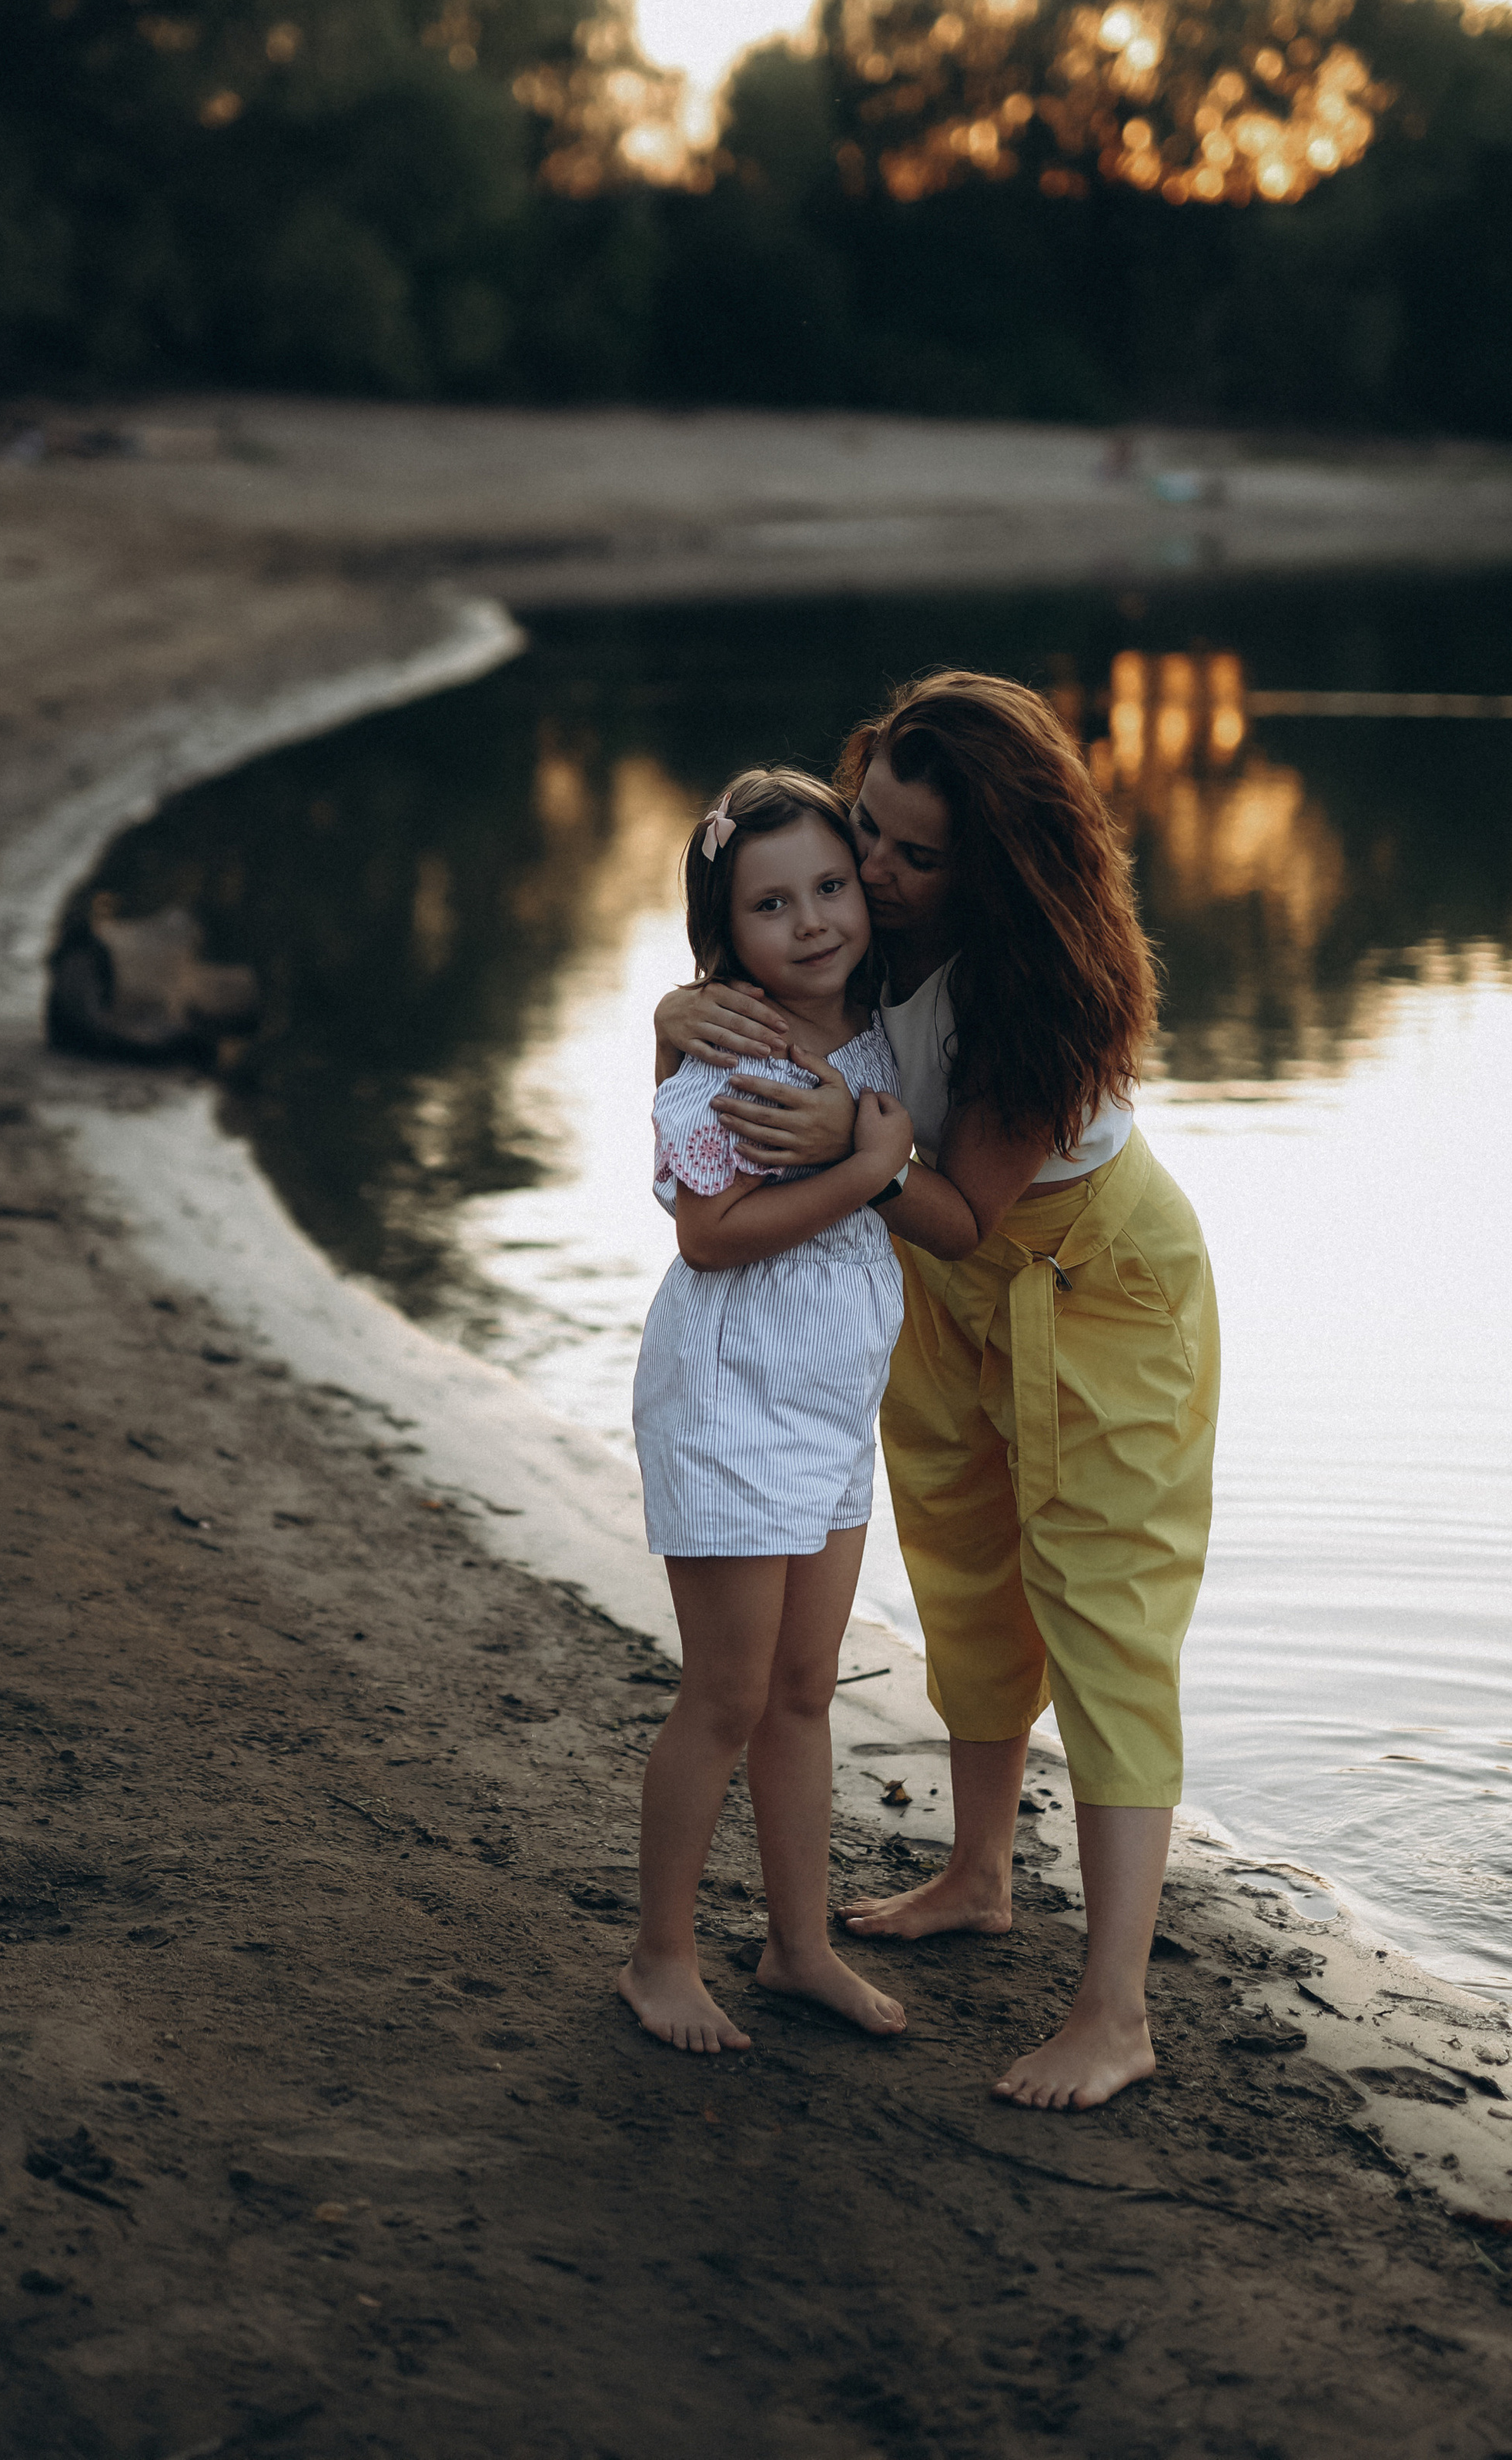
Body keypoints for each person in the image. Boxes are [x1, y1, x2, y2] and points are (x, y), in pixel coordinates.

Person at [654, 674, 1218, 2110]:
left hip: (1088, 1279)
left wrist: (857, 1142)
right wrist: (683, 999)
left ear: (1003, 859)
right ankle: (978, 1874)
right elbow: (749, 998)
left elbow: (962, 1201)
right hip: (922, 1273)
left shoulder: (1047, 986)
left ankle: (1116, 2009)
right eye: (872, 841)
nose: (881, 881)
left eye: (917, 856)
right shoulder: (854, 936)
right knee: (965, 1578)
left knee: (1104, 1609)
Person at [621, 766, 978, 2056]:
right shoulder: (736, 1049)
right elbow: (713, 1238)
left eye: (833, 886)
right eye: (775, 904)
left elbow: (949, 1212)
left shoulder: (875, 1030)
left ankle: (798, 1944)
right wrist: (869, 1165)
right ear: (729, 939)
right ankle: (659, 1956)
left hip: (827, 1406)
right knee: (722, 1696)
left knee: (807, 1690)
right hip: (728, 1402)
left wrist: (881, 1159)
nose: (817, 920)